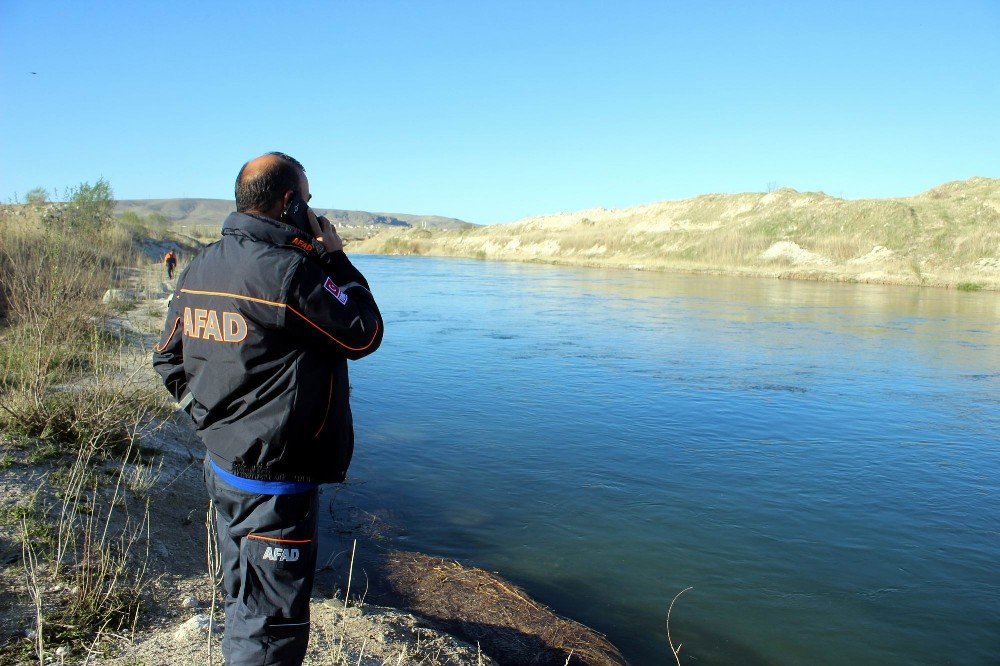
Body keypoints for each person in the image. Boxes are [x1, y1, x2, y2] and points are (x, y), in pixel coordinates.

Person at [152, 152, 384, 665]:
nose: (310, 208)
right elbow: (365, 331)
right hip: (275, 486)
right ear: (289, 202)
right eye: (307, 198)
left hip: (223, 468)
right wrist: (335, 258)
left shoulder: (201, 265)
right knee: (271, 626)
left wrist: (207, 419)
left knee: (246, 600)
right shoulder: (288, 273)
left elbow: (166, 358)